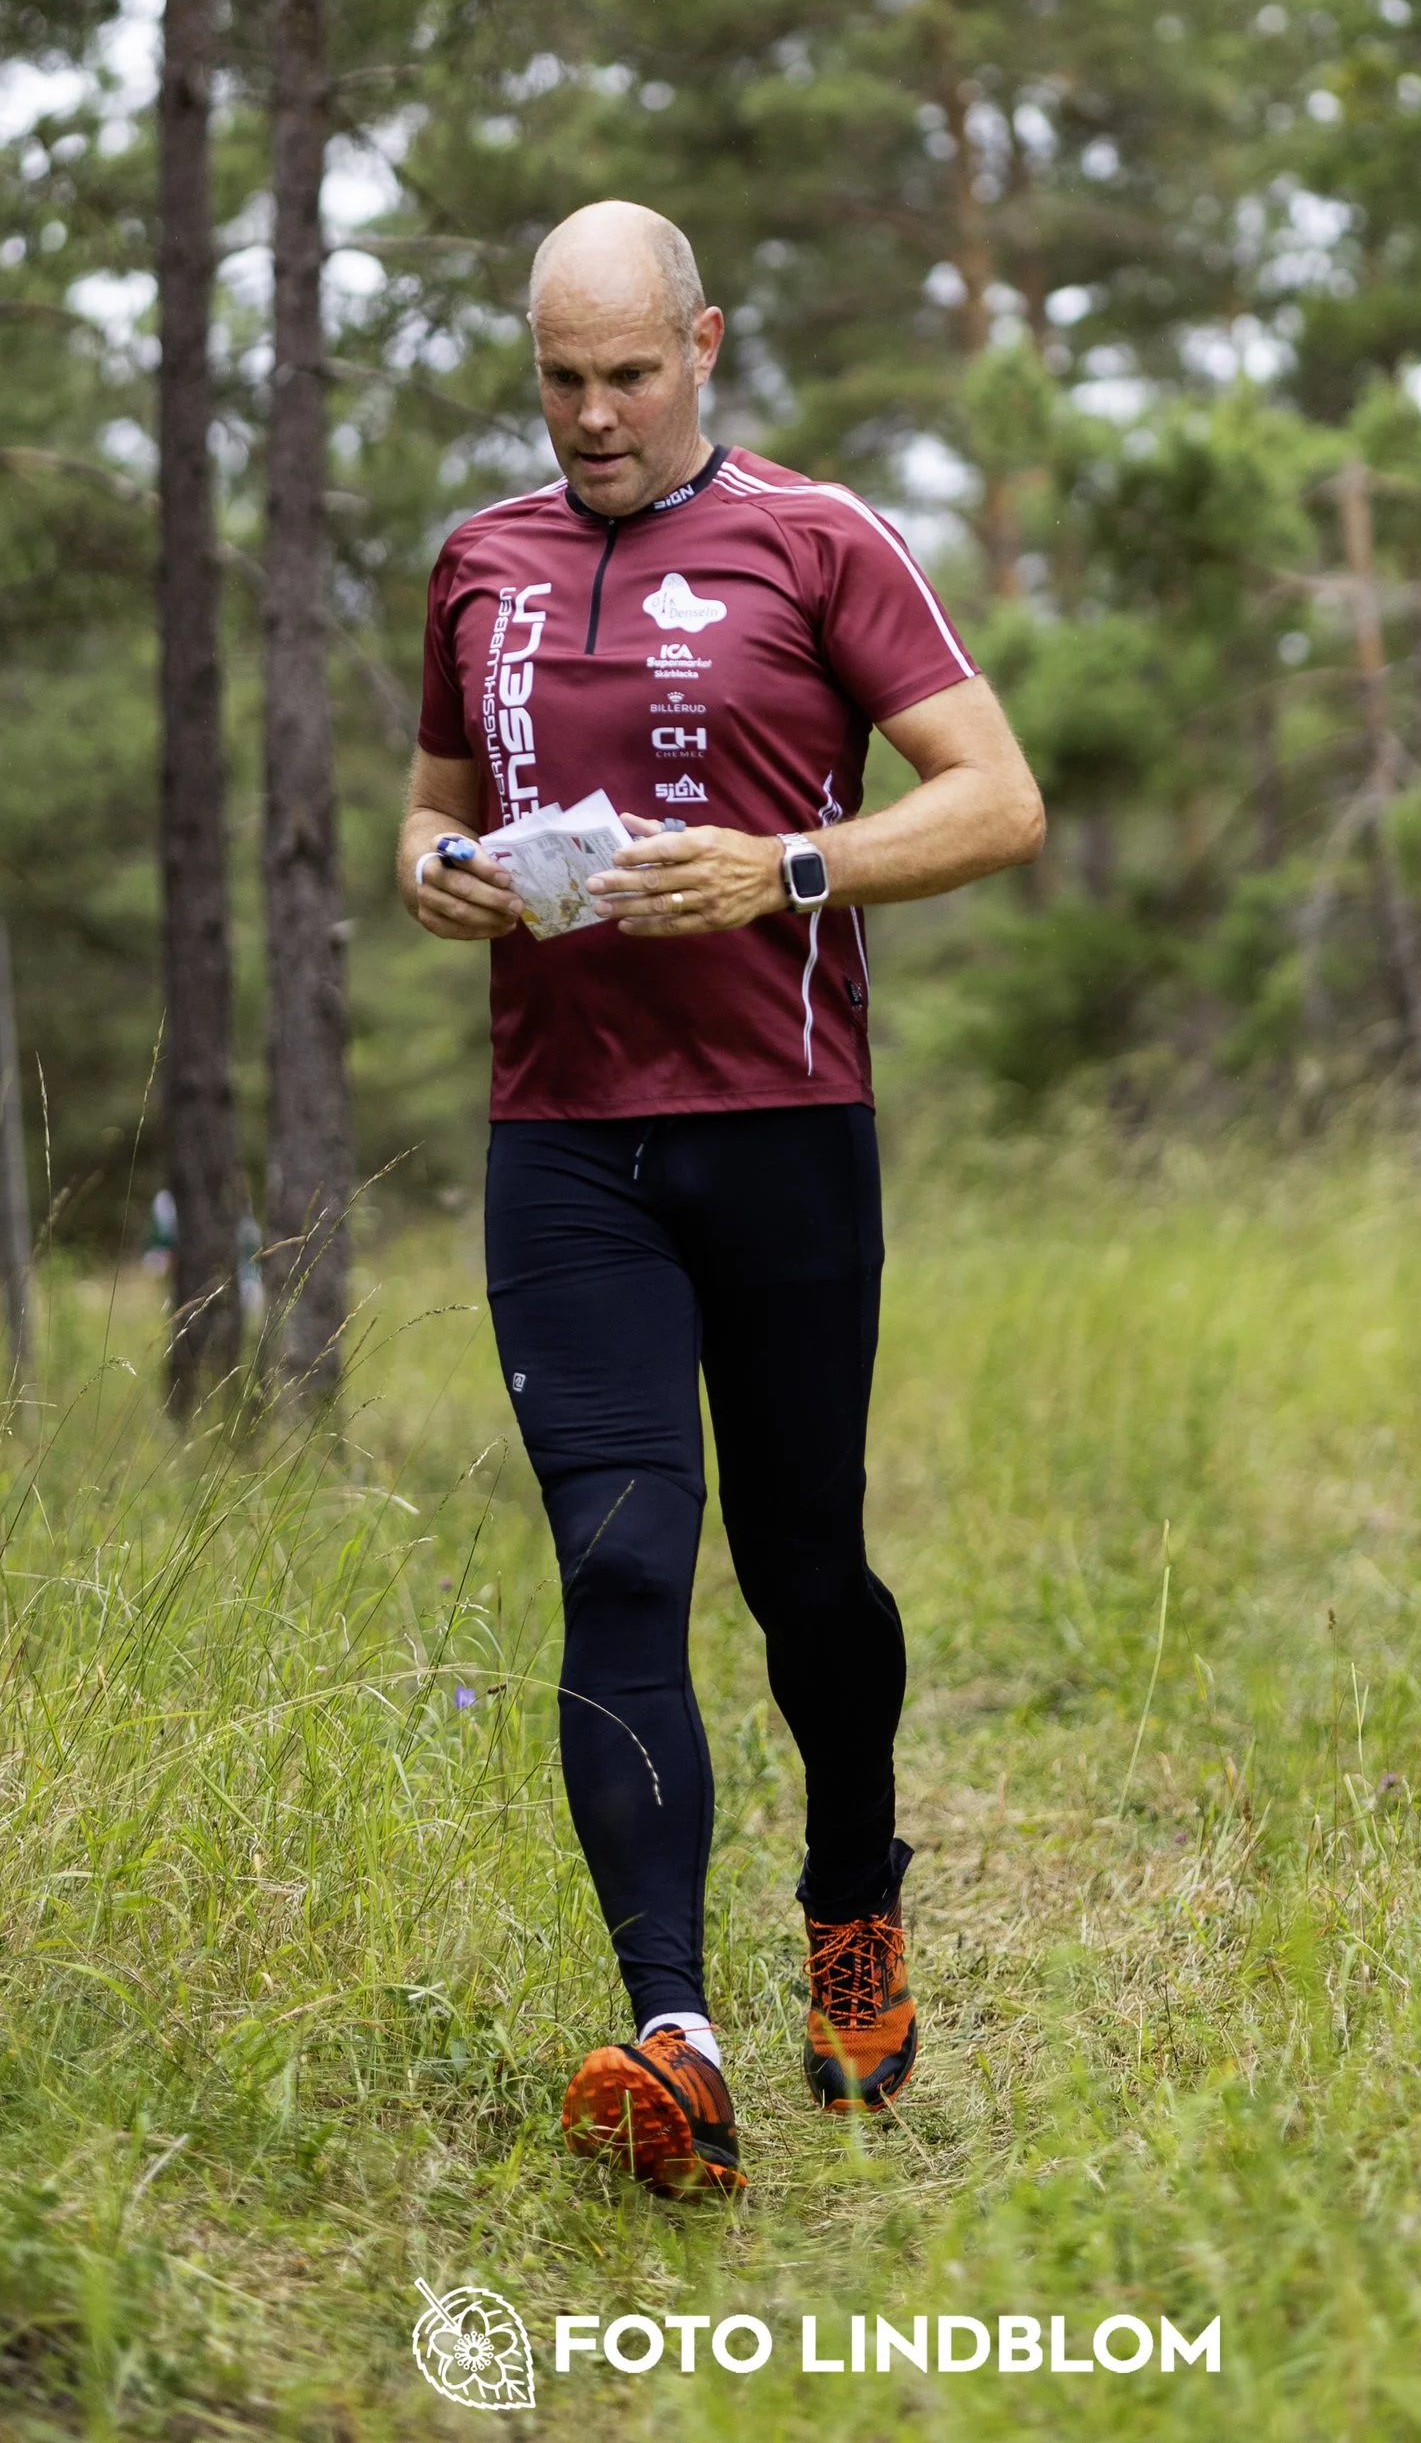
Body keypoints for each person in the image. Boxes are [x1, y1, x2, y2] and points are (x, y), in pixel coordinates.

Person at [399, 200, 1043, 2197]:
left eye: (623, 372)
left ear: (702, 343)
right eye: (555, 379)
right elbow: (427, 797)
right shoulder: (476, 563)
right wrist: (433, 862)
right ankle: (667, 2029)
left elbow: (995, 795)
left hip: (777, 1119)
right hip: (558, 1138)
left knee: (803, 1569)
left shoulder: (817, 537)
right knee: (612, 1561)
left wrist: (787, 869)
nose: (589, 415)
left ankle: (851, 1882)